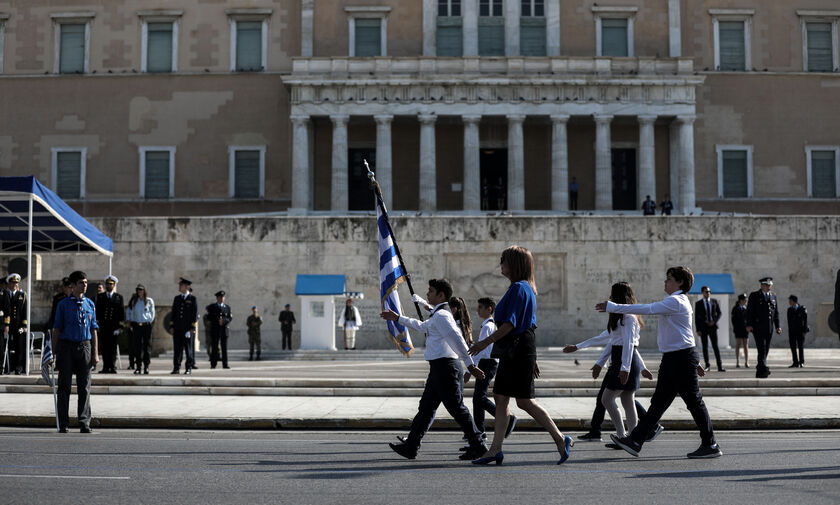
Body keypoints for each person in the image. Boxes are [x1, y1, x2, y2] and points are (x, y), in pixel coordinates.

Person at [598, 266, 722, 459]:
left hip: (680, 358)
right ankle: (636, 440)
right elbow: (684, 332)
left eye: (669, 279)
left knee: (693, 402)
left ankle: (710, 443)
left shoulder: (675, 301)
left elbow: (646, 309)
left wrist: (614, 307)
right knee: (659, 402)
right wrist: (693, 361)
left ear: (680, 282)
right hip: (676, 357)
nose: (665, 282)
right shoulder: (678, 301)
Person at [469, 246, 574, 466]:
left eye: (504, 260)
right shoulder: (524, 288)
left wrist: (483, 343)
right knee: (500, 397)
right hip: (520, 347)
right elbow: (528, 325)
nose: (501, 265)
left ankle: (559, 438)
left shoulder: (519, 288)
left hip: (517, 347)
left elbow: (511, 324)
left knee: (524, 401)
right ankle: (495, 449)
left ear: (514, 264)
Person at [382, 278, 488, 461]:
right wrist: (398, 317)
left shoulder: (442, 317)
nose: (427, 294)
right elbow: (422, 326)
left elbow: (458, 341)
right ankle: (411, 446)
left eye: (430, 291)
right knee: (426, 408)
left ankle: (479, 445)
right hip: (439, 369)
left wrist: (470, 365)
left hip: (446, 368)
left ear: (441, 295)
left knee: (457, 409)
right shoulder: (438, 314)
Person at [564, 333, 662, 444]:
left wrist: (636, 368)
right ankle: (628, 437)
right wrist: (599, 363)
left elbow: (631, 346)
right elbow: (611, 344)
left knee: (613, 399)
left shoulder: (625, 318)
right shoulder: (619, 321)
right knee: (623, 399)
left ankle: (627, 435)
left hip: (622, 367)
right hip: (617, 365)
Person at [52, 270, 99, 433]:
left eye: (86, 282)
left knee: (84, 386)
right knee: (64, 386)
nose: (84, 285)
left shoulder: (90, 304)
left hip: (84, 346)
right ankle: (63, 422)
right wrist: (53, 351)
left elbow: (93, 330)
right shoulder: (63, 304)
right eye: (81, 283)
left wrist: (95, 353)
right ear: (73, 285)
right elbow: (56, 329)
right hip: (66, 347)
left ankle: (84, 421)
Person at [464, 297, 516, 441]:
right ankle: (479, 431)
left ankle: (508, 420)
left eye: (480, 307)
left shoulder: (487, 326)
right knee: (478, 398)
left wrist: (470, 369)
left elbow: (479, 350)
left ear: (489, 309)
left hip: (487, 363)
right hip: (489, 363)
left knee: (479, 397)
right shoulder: (490, 325)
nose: (478, 310)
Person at [746, 277, 781, 379]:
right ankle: (764, 368)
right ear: (762, 285)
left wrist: (777, 326)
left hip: (769, 327)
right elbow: (749, 311)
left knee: (766, 349)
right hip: (758, 327)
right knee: (762, 348)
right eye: (767, 285)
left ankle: (760, 370)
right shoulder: (755, 296)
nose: (769, 287)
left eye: (770, 285)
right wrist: (749, 324)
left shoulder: (773, 296)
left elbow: (776, 313)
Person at [95, 275, 125, 374]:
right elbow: (98, 312)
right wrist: (97, 325)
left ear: (114, 285)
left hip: (114, 327)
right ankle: (105, 367)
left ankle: (112, 367)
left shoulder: (119, 297)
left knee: (113, 348)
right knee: (104, 348)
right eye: (107, 284)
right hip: (104, 326)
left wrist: (120, 327)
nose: (109, 286)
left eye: (111, 284)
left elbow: (121, 313)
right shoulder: (100, 297)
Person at [169, 277, 198, 375]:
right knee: (177, 349)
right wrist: (172, 326)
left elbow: (194, 315)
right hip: (178, 329)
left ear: (187, 287)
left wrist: (192, 328)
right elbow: (173, 314)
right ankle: (176, 367)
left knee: (188, 349)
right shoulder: (177, 298)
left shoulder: (193, 299)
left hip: (187, 329)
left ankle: (188, 367)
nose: (179, 287)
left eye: (181, 285)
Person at [126, 284, 155, 375]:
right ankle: (138, 367)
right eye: (138, 290)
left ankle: (146, 366)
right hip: (136, 325)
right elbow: (129, 312)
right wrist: (130, 321)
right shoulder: (134, 301)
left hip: (146, 325)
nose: (140, 292)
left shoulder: (149, 301)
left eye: (141, 290)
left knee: (147, 347)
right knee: (137, 347)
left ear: (144, 291)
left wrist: (149, 322)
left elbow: (152, 313)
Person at [695, 286, 725, 372]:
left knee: (715, 346)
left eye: (709, 291)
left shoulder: (714, 301)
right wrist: (698, 330)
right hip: (703, 328)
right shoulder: (698, 303)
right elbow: (697, 318)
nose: (708, 293)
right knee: (705, 347)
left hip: (712, 327)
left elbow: (719, 313)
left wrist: (714, 321)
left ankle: (719, 366)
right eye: (706, 292)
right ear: (702, 293)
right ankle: (707, 365)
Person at [5, 274, 27, 375]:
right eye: (13, 282)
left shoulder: (22, 295)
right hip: (8, 326)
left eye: (16, 283)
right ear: (9, 283)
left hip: (19, 325)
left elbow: (24, 311)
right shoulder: (5, 294)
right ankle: (7, 367)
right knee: (7, 346)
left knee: (20, 346)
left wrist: (24, 326)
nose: (15, 284)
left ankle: (19, 367)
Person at [206, 290, 232, 369]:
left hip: (224, 330)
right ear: (217, 298)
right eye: (220, 297)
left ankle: (225, 364)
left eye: (223, 297)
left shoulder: (227, 307)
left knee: (224, 348)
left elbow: (229, 318)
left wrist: (224, 321)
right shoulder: (212, 307)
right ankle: (213, 364)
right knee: (214, 347)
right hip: (215, 329)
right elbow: (209, 317)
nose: (222, 298)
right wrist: (217, 321)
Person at [787, 295, 809, 368]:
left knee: (800, 347)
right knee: (793, 347)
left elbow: (805, 321)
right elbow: (789, 322)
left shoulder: (802, 309)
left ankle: (801, 362)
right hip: (792, 332)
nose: (789, 302)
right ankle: (795, 362)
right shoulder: (789, 310)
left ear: (794, 301)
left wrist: (805, 330)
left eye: (790, 301)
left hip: (800, 331)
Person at [731, 293, 750, 368]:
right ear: (741, 301)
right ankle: (737, 361)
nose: (746, 301)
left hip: (745, 329)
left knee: (746, 345)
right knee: (738, 345)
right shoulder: (735, 308)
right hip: (738, 329)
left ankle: (746, 361)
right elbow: (734, 320)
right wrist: (736, 328)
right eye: (745, 300)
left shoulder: (747, 308)